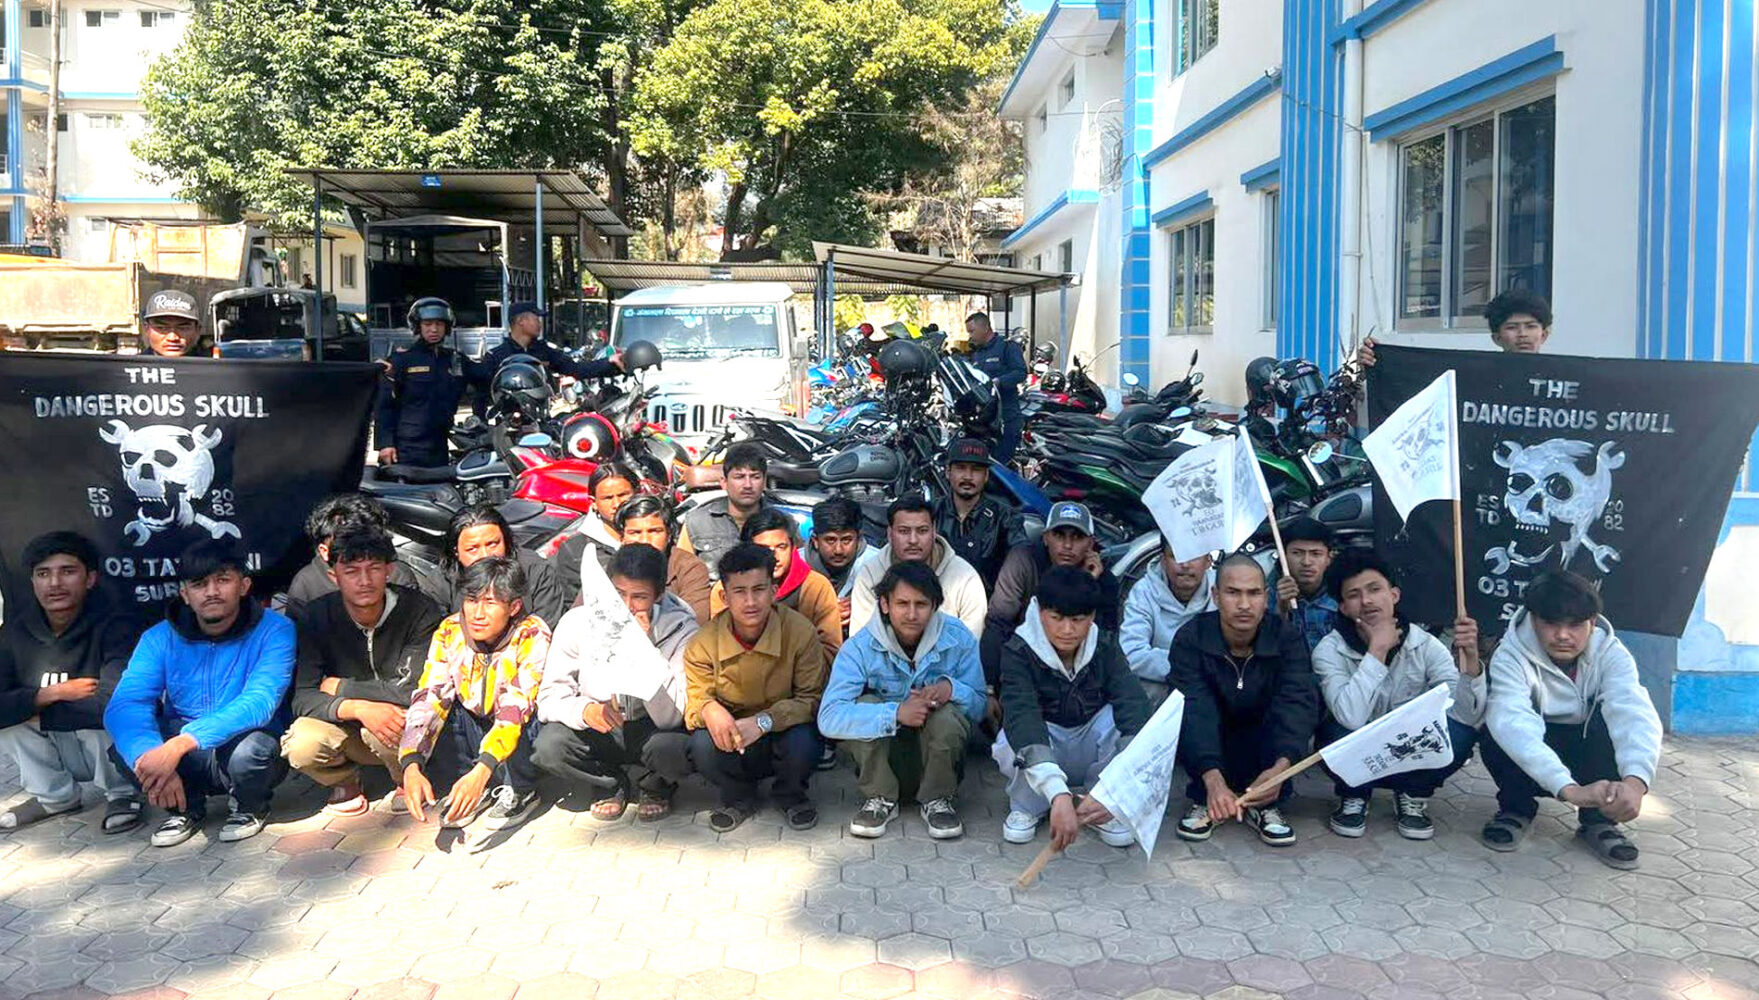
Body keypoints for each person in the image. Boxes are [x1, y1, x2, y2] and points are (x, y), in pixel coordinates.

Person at [105, 541, 296, 847]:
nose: (211, 592)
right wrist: (150, 757)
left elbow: (260, 701)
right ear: (184, 594)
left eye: (223, 580)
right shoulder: (158, 638)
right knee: (128, 748)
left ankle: (249, 806)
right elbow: (126, 703)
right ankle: (183, 808)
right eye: (199, 584)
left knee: (253, 750)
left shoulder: (275, 629)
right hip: (188, 753)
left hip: (240, 743)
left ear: (244, 586)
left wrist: (179, 745)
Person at [1480, 572, 1661, 870]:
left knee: (1613, 721)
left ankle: (1600, 820)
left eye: (1575, 625)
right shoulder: (1510, 655)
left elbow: (1633, 713)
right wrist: (1569, 790)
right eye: (1551, 623)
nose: (1563, 635)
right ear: (1533, 619)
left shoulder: (1612, 653)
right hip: (1535, 750)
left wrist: (1635, 782)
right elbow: (1513, 722)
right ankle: (1516, 809)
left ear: (1592, 622)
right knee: (1496, 726)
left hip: (1586, 749)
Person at [1312, 550, 1485, 840]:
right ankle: (1354, 794)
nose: (1367, 601)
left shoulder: (1426, 645)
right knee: (1333, 732)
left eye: (1375, 589)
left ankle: (1413, 793)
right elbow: (1350, 717)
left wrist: (1471, 662)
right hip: (1358, 749)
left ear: (1394, 595)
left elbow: (1465, 714)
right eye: (1354, 595)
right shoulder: (1329, 650)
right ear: (1342, 607)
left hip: (1410, 749)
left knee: (1462, 734)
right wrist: (1377, 651)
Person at [282, 527, 443, 817]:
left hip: (404, 724)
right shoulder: (315, 616)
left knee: (390, 724)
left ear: (389, 570)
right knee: (301, 743)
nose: (365, 581)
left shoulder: (419, 610)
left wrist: (340, 687)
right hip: (348, 725)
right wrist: (357, 707)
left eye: (374, 568)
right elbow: (303, 697)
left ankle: (404, 778)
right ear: (334, 576)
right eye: (352, 571)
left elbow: (412, 689)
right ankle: (344, 780)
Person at [819, 562, 985, 840]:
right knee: (865, 704)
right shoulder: (859, 647)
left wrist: (951, 689)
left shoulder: (959, 639)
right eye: (902, 603)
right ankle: (879, 798)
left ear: (935, 606)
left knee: (948, 716)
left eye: (921, 604)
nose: (911, 614)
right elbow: (829, 717)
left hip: (937, 759)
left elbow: (981, 707)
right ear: (885, 604)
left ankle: (938, 799)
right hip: (884, 756)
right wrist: (895, 713)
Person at [534, 544, 699, 822]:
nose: (626, 607)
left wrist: (644, 651)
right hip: (603, 725)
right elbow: (549, 698)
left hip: (653, 729)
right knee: (549, 747)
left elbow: (673, 716)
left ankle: (656, 783)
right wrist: (584, 710)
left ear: (659, 595)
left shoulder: (680, 628)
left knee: (675, 749)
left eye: (639, 597)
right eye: (618, 594)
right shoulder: (576, 622)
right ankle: (608, 781)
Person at [991, 567, 1148, 849]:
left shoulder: (1105, 645)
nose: (1067, 630)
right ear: (1040, 612)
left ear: (1092, 617)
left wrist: (1117, 789)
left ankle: (1099, 803)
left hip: (1088, 739)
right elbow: (1023, 715)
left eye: (1077, 620)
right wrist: (1058, 794)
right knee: (1009, 738)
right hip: (1045, 739)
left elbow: (1132, 703)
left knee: (1119, 721)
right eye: (1057, 618)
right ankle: (1029, 805)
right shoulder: (1018, 650)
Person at [1170, 554, 1318, 847]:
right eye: (1233, 593)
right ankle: (1206, 797)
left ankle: (1266, 802)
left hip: (1264, 740)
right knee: (1186, 711)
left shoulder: (1286, 638)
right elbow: (1194, 709)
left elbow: (1297, 704)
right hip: (1215, 735)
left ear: (1266, 597)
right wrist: (1212, 780)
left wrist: (1280, 771)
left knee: (1292, 708)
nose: (1244, 604)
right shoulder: (1191, 637)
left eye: (1253, 593)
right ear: (1215, 595)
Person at [0, 532, 141, 833]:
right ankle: (55, 798)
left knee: (110, 716)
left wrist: (31, 708)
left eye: (67, 571)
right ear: (33, 582)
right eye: (43, 574)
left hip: (103, 743)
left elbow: (114, 700)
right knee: (10, 726)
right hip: (55, 736)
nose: (54, 583)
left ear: (90, 578)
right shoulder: (14, 630)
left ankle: (122, 794)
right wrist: (47, 695)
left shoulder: (117, 624)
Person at [683, 543, 828, 833]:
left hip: (782, 731)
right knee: (700, 744)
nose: (750, 601)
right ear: (724, 597)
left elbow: (812, 699)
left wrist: (764, 721)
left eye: (759, 589)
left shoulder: (800, 632)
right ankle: (738, 798)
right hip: (734, 739)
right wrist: (709, 709)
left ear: (774, 591)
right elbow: (695, 701)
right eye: (739, 591)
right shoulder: (703, 643)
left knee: (807, 740)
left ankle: (791, 795)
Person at [400, 557, 549, 833]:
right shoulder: (450, 631)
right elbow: (430, 693)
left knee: (528, 719)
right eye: (471, 600)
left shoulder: (532, 633)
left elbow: (516, 707)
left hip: (513, 725)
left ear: (514, 606)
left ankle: (520, 789)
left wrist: (484, 767)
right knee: (440, 711)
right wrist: (410, 762)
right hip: (474, 721)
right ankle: (470, 787)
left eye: (490, 603)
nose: (478, 614)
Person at [986, 502, 1121, 683]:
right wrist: (990, 685)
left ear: (1091, 543)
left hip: (1080, 677)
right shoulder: (1023, 560)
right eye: (1059, 535)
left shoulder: (1103, 580)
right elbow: (998, 623)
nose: (1067, 545)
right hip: (1022, 665)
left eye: (1077, 537)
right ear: (1045, 538)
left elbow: (1105, 641)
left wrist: (1086, 585)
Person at [849, 497, 988, 639]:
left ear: (934, 532)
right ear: (889, 534)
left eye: (922, 531)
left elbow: (970, 643)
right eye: (904, 531)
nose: (913, 540)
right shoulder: (870, 574)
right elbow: (861, 641)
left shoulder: (964, 577)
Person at [712, 510, 843, 659]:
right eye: (763, 549)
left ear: (793, 547)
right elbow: (717, 646)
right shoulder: (727, 588)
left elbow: (830, 652)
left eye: (781, 547)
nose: (774, 557)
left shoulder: (816, 586)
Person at [421, 504, 568, 628]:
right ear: (456, 552)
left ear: (506, 542)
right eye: (472, 549)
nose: (485, 555)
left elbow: (548, 627)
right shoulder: (440, 582)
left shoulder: (535, 570)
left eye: (492, 544)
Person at [473, 302, 625, 418]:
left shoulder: (544, 350)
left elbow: (576, 369)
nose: (540, 323)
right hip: (507, 424)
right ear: (521, 321)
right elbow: (481, 394)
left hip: (541, 420)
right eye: (536, 318)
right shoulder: (496, 356)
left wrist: (609, 362)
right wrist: (480, 423)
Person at [284, 494, 420, 619]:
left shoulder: (398, 576)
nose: (365, 581)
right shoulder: (306, 585)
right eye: (345, 542)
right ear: (324, 551)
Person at [376, 297, 471, 468]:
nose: (434, 329)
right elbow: (384, 405)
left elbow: (485, 377)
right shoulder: (401, 360)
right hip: (407, 447)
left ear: (447, 327)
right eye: (427, 324)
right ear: (417, 326)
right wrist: (385, 444)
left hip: (440, 444)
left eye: (439, 324)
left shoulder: (454, 359)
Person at [1119, 541, 1214, 703]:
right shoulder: (1143, 591)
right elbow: (1130, 653)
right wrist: (1190, 666)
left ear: (1208, 561)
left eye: (1194, 556)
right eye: (1176, 556)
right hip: (1161, 685)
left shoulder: (1223, 590)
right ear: (1163, 560)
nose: (1185, 565)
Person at [1357, 288, 1553, 366]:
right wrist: (1378, 361)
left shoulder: (1564, 380)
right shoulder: (1474, 372)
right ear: (1496, 337)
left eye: (1530, 326)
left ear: (1543, 334)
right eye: (1512, 327)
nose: (1522, 334)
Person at [933, 438, 1027, 593]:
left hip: (987, 601)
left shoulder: (1005, 517)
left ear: (986, 475)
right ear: (948, 472)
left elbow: (1022, 559)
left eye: (976, 469)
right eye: (961, 468)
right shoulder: (931, 512)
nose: (968, 476)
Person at [679, 443, 774, 578]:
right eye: (739, 477)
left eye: (755, 477)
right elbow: (681, 574)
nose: (748, 485)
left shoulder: (780, 523)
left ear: (764, 482)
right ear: (724, 482)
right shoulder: (697, 522)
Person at [614, 496, 711, 625]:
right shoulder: (610, 567)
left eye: (654, 531)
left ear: (669, 534)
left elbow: (695, 621)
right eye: (635, 533)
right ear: (622, 537)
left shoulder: (688, 567)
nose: (645, 540)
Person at [553, 462, 641, 604]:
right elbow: (572, 604)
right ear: (593, 502)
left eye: (623, 495)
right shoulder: (575, 550)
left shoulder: (655, 533)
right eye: (608, 498)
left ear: (637, 493)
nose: (616, 504)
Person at [964, 312, 1027, 461]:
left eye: (972, 331)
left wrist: (999, 382)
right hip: (985, 421)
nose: (970, 336)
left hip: (1006, 416)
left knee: (1003, 462)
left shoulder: (1007, 346)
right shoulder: (977, 354)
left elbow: (1021, 372)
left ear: (985, 328)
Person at [804, 496, 868, 634]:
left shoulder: (875, 564)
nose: (838, 550)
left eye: (846, 540)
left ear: (858, 538)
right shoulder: (795, 564)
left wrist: (863, 608)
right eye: (830, 540)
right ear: (815, 540)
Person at [1274, 518, 1338, 652]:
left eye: (1316, 554)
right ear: (1283, 556)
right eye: (1297, 553)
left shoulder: (1342, 593)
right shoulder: (1265, 593)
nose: (1306, 562)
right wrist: (1281, 610)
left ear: (1329, 558)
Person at [139, 288, 202, 358]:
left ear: (197, 330)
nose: (172, 338)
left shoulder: (210, 364)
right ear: (146, 330)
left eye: (182, 328)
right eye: (162, 328)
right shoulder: (133, 364)